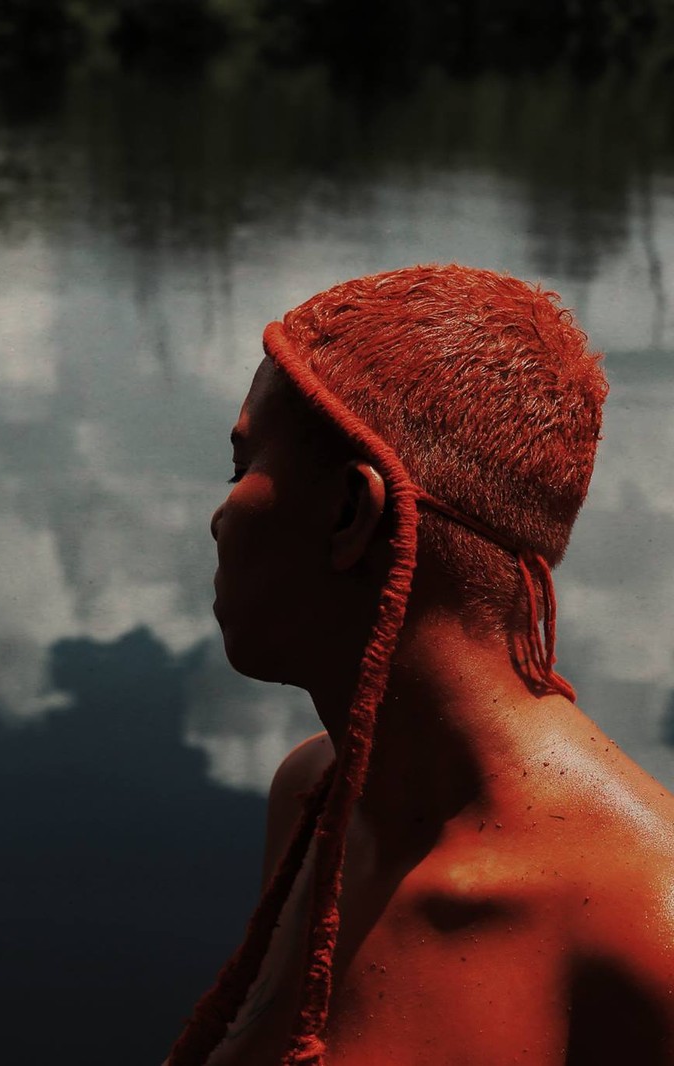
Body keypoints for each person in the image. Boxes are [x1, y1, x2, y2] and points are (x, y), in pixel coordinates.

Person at [166, 265, 674, 1065]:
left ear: (351, 514)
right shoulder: (314, 798)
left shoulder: (650, 922)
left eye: (243, 467)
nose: (218, 517)